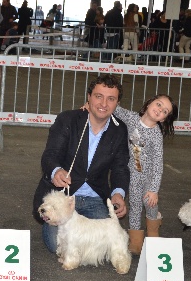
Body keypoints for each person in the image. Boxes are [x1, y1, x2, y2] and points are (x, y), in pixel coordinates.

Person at [33, 74, 129, 254]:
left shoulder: (119, 130)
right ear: (89, 97)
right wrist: (56, 171)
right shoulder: (68, 120)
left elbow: (120, 167)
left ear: (117, 103)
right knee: (57, 246)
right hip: (64, 197)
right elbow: (50, 154)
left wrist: (118, 193)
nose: (103, 104)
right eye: (98, 96)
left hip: (95, 198)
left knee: (106, 242)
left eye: (111, 99)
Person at [112, 95, 178, 254]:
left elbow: (157, 163)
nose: (159, 110)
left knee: (150, 203)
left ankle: (154, 226)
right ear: (149, 103)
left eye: (164, 111)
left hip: (149, 178)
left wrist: (154, 189)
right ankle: (135, 240)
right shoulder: (132, 118)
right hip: (133, 175)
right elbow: (114, 108)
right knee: (134, 205)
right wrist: (88, 106)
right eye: (158, 104)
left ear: (163, 119)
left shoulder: (156, 135)